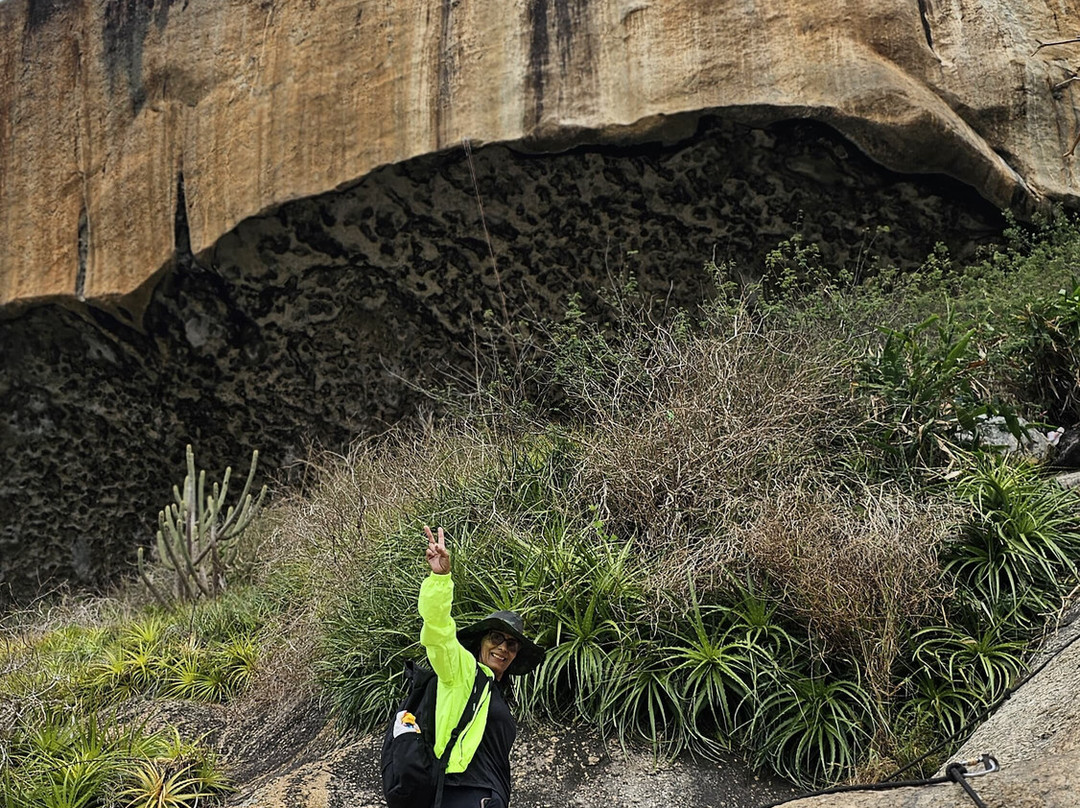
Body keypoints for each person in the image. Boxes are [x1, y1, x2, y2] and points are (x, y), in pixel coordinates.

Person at [419, 525, 545, 808]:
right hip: (463, 793)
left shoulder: (495, 691)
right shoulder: (462, 671)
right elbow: (437, 630)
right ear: (481, 643)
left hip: (486, 798)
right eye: (496, 638)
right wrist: (440, 579)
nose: (503, 648)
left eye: (512, 645)